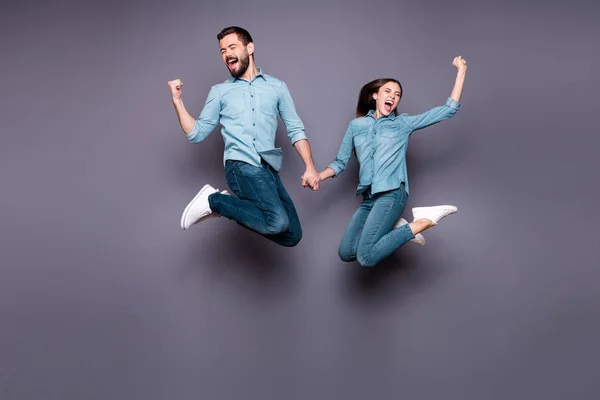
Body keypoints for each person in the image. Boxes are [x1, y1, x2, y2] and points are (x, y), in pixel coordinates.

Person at [167, 26, 320, 247]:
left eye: (232, 47)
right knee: (276, 222)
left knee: (292, 234)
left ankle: (221, 204)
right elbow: (196, 134)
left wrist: (310, 167)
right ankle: (214, 200)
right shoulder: (220, 91)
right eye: (222, 50)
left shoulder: (277, 87)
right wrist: (177, 101)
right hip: (240, 165)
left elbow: (296, 129)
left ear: (250, 48)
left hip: (268, 169)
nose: (227, 53)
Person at [318, 56, 468, 267]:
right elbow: (340, 162)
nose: (393, 97)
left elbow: (448, 110)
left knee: (366, 257)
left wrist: (461, 71)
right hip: (369, 198)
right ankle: (400, 228)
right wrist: (317, 176)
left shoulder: (402, 124)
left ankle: (423, 221)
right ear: (374, 95)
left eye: (397, 95)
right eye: (388, 91)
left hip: (392, 193)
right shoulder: (356, 126)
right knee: (347, 252)